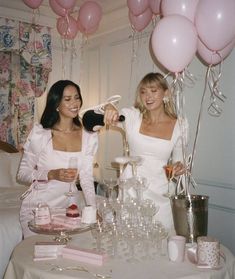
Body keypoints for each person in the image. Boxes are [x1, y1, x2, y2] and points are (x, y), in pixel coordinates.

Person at [104, 72, 188, 231]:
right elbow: (100, 115)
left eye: (153, 90)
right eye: (143, 91)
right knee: (128, 239)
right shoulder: (132, 116)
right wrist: (109, 107)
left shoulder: (181, 125)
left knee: (160, 240)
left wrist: (178, 168)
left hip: (160, 192)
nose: (147, 96)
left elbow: (179, 161)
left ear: (166, 93)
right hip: (130, 190)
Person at [18, 80, 98, 237]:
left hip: (70, 208)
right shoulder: (41, 134)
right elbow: (22, 174)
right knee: (40, 256)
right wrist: (51, 174)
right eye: (67, 99)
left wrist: (92, 209)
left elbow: (86, 178)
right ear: (56, 104)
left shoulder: (89, 135)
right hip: (38, 209)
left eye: (77, 97)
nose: (75, 103)